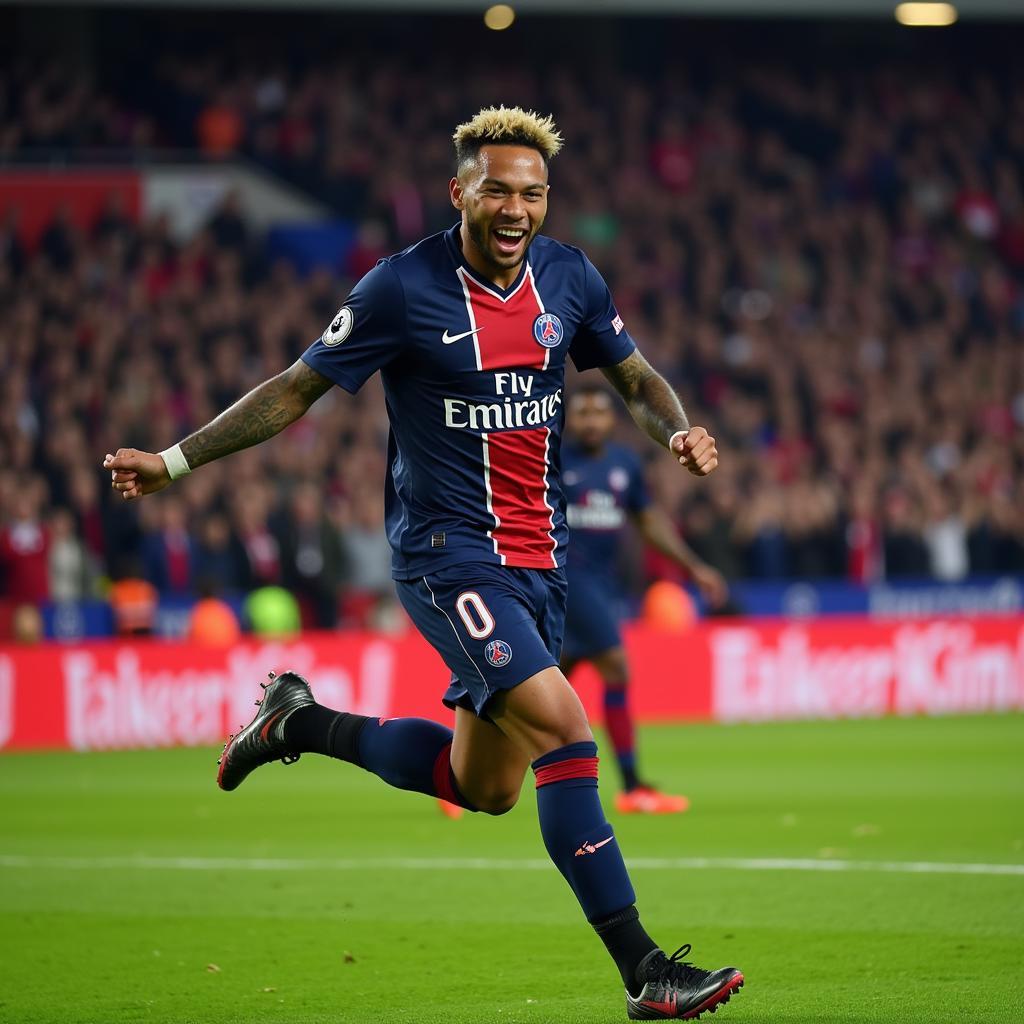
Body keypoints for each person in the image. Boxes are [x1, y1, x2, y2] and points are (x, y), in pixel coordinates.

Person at [103, 107, 743, 1021]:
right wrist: (173, 462)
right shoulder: (401, 288)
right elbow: (295, 389)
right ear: (461, 193)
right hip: (448, 557)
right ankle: (646, 971)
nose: (515, 207)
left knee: (481, 787)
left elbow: (634, 377)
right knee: (566, 731)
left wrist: (677, 427)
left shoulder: (571, 279)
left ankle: (298, 723)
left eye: (531, 192)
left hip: (540, 563)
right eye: (497, 190)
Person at [560, 385, 727, 814]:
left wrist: (693, 567)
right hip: (563, 584)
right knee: (617, 667)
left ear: (612, 419)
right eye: (583, 413)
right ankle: (633, 786)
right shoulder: (553, 460)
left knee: (540, 693)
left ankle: (461, 778)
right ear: (569, 419)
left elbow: (648, 521)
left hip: (602, 586)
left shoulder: (624, 465)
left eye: (599, 411)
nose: (591, 420)